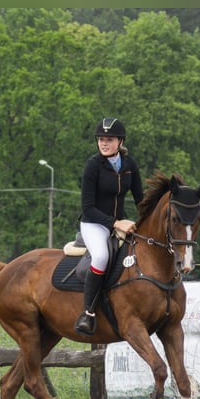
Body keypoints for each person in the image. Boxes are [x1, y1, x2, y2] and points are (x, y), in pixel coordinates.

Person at [74, 117, 144, 335]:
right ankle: (88, 313)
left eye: (109, 139)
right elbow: (88, 208)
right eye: (101, 139)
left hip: (120, 224)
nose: (104, 143)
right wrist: (116, 222)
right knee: (102, 257)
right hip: (94, 224)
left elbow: (141, 200)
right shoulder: (93, 165)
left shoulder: (130, 166)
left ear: (120, 141)